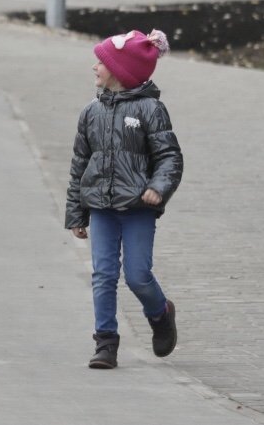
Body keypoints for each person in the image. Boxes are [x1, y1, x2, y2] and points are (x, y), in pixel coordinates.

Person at [66, 28, 184, 371]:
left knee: (137, 275)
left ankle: (160, 312)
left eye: (101, 62)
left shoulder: (151, 109)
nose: (94, 67)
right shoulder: (90, 112)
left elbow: (169, 157)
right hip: (101, 208)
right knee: (103, 275)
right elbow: (79, 164)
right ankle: (105, 342)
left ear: (121, 71)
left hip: (137, 208)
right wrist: (76, 212)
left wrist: (158, 187)